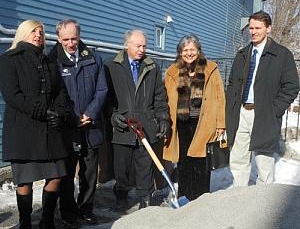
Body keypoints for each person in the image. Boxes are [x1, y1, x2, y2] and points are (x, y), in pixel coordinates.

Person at [0, 20, 70, 229]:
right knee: (25, 181)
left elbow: (61, 93)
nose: (39, 35)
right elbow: (12, 95)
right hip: (23, 130)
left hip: (50, 130)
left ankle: (46, 221)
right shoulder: (9, 59)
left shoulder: (49, 62)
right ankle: (25, 222)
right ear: (23, 33)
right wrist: (41, 110)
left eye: (41, 32)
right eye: (33, 31)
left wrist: (59, 111)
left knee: (56, 176)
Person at [226, 11, 299, 187]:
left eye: (258, 28)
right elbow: (232, 84)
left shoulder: (282, 55)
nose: (253, 31)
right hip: (241, 113)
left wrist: (275, 109)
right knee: (238, 160)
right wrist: (232, 106)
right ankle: (239, 198)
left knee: (264, 165)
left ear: (268, 28)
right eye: (251, 28)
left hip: (265, 114)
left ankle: (261, 205)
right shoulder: (242, 54)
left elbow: (291, 86)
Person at [48, 19, 107, 228]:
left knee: (89, 173)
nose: (71, 43)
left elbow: (102, 90)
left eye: (74, 38)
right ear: (58, 38)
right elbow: (53, 95)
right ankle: (68, 212)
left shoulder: (93, 58)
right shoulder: (52, 60)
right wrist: (72, 117)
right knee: (66, 174)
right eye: (66, 39)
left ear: (80, 36)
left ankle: (86, 210)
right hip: (67, 128)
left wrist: (89, 113)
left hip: (91, 126)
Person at [105, 29, 169, 209]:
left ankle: (145, 200)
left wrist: (162, 118)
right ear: (126, 45)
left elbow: (159, 96)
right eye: (138, 45)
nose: (142, 49)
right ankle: (121, 196)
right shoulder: (111, 66)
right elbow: (106, 98)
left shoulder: (152, 67)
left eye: (144, 46)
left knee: (145, 166)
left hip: (146, 125)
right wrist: (113, 115)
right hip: (123, 127)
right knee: (122, 168)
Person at [163, 34, 226, 201]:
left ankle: (201, 198)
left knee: (201, 162)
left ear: (198, 51)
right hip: (182, 123)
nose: (189, 53)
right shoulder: (173, 71)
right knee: (184, 162)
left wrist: (221, 123)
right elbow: (165, 97)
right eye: (185, 50)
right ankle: (185, 196)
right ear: (180, 52)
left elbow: (220, 97)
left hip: (204, 123)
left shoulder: (210, 69)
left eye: (192, 49)